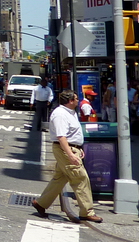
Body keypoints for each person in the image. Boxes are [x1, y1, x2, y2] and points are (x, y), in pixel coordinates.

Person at [32, 91, 102, 223]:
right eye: (76, 98)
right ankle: (87, 212)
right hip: (65, 148)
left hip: (71, 148)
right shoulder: (60, 114)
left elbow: (73, 133)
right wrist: (70, 154)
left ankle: (41, 203)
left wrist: (78, 148)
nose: (78, 101)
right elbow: (61, 136)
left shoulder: (71, 112)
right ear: (70, 101)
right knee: (81, 178)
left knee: (60, 178)